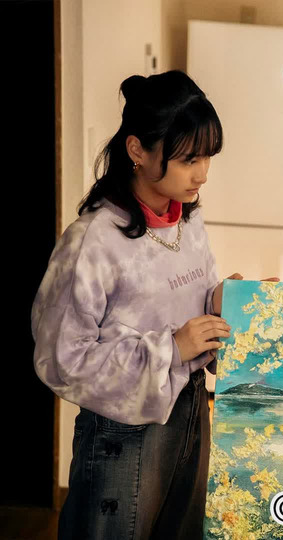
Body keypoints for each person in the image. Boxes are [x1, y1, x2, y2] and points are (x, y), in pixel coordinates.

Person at [32, 70, 249, 539]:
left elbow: (185, 304)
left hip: (191, 413)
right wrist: (171, 349)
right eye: (189, 159)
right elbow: (60, 359)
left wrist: (225, 301)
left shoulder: (187, 221)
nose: (202, 174)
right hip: (123, 438)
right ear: (137, 150)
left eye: (207, 157)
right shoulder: (92, 241)